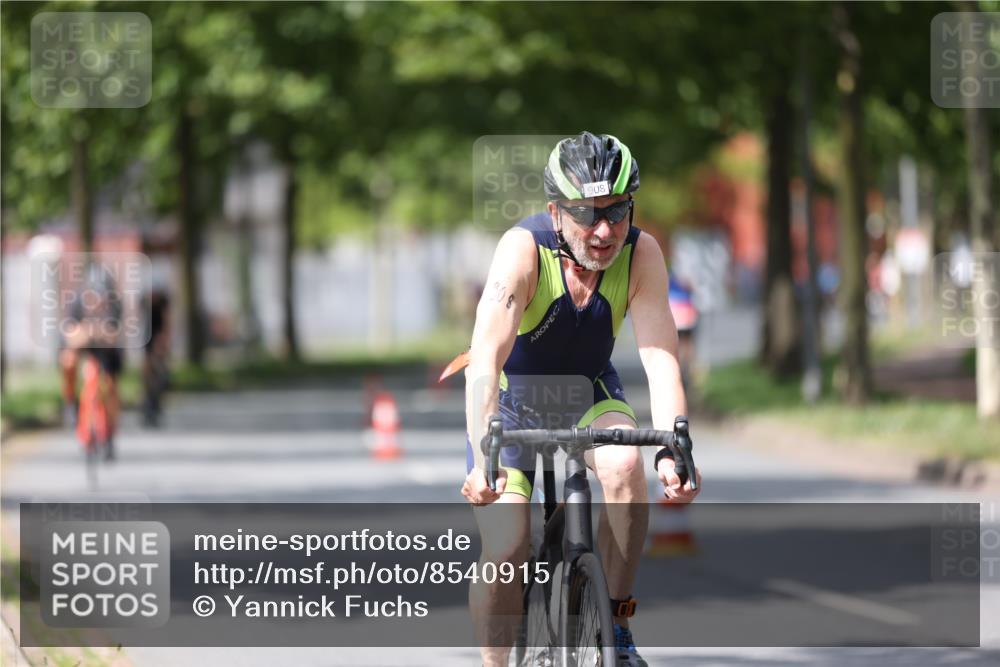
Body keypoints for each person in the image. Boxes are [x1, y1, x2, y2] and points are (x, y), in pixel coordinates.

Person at [461, 132, 701, 666]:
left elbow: (660, 358)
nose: (603, 229)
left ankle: (615, 625)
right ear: (555, 212)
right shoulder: (522, 251)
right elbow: (485, 358)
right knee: (505, 550)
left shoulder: (642, 253)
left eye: (616, 210)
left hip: (587, 389)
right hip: (510, 401)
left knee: (623, 467)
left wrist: (674, 446)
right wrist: (483, 456)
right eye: (585, 213)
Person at [61, 263, 124, 460]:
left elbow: (113, 336)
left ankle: (110, 433)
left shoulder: (115, 304)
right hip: (83, 347)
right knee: (68, 360)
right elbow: (71, 336)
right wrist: (93, 332)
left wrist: (87, 331)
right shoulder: (76, 302)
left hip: (106, 350)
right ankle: (70, 402)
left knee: (111, 387)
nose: (98, 301)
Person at [142, 289, 171, 427]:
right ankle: (148, 408)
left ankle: (155, 406)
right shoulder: (143, 301)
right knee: (148, 377)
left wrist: (164, 340)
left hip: (158, 340)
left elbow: (166, 321)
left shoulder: (163, 301)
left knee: (158, 375)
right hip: (147, 341)